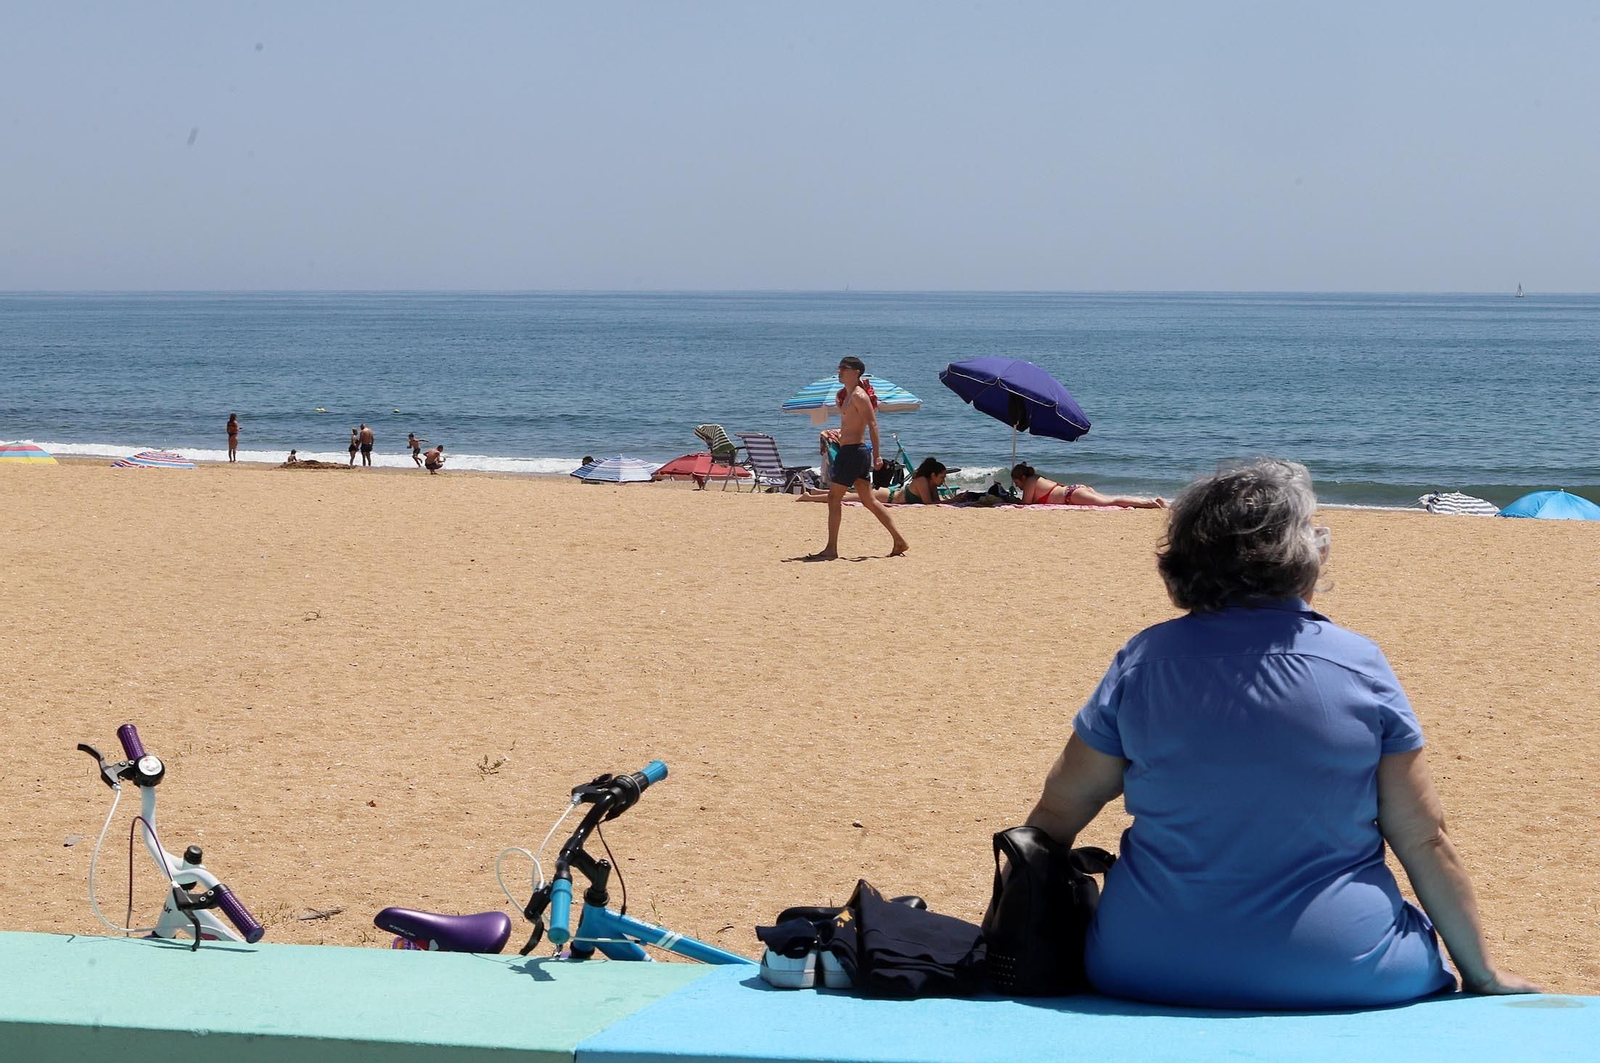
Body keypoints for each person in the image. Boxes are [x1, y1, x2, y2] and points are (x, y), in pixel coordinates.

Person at [1024, 459, 1536, 1010]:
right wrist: (1482, 973)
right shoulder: (1359, 665)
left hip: (1143, 964)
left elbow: (1056, 817)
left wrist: (1013, 921)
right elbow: (1422, 836)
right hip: (1344, 966)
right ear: (1303, 554)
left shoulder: (1145, 661)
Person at [805, 357, 907, 559]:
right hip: (852, 452)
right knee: (868, 500)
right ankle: (899, 540)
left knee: (834, 498)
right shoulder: (848, 395)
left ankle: (831, 549)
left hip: (854, 453)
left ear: (856, 372)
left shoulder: (860, 396)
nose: (839, 371)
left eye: (844, 368)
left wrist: (877, 456)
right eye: (839, 368)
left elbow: (873, 424)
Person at [1010, 462, 1166, 509]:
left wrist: (1011, 500)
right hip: (1074, 491)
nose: (1018, 487)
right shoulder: (1037, 478)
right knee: (1110, 499)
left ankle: (1149, 503)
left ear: (1022, 477)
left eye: (1017, 483)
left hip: (1071, 496)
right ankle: (1154, 500)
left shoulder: (1030, 481)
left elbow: (1026, 504)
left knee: (1111, 502)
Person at [799, 457, 951, 505]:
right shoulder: (923, 482)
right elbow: (929, 504)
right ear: (932, 475)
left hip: (888, 494)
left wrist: (955, 499)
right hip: (887, 496)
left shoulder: (931, 484)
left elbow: (937, 502)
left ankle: (817, 491)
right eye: (942, 477)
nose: (943, 480)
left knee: (850, 493)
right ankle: (809, 497)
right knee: (845, 497)